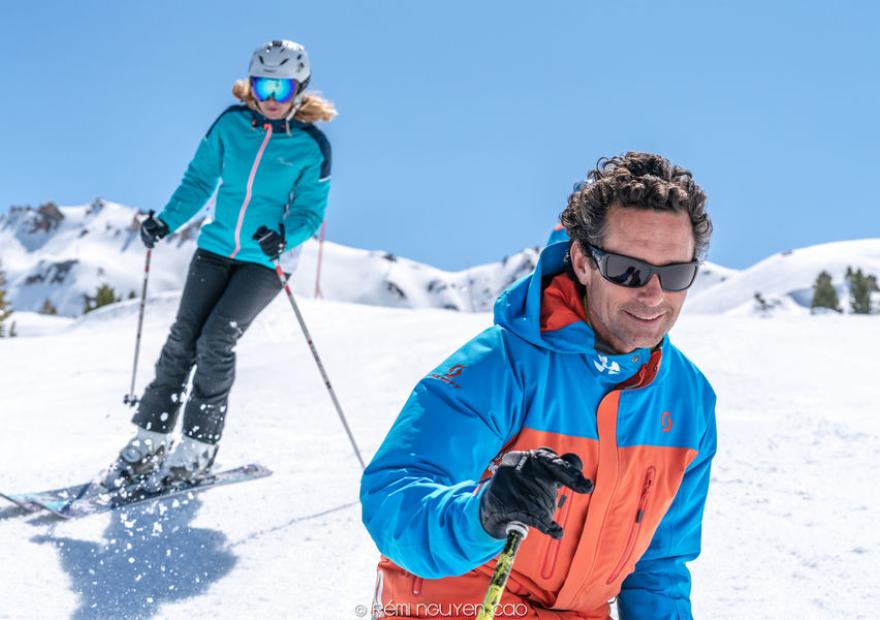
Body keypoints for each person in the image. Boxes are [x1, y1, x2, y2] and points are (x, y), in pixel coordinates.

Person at [360, 152, 717, 619]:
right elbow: (394, 494)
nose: (653, 294)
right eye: (627, 270)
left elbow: (659, 566)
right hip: (458, 603)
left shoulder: (688, 400)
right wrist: (482, 515)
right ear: (583, 262)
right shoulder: (502, 365)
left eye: (674, 274)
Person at [104, 39, 335, 491]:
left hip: (265, 262)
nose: (269, 98)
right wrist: (166, 220)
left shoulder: (312, 146)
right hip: (214, 248)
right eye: (262, 86)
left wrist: (285, 235)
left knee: (216, 340)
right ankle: (150, 437)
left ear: (299, 90)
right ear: (250, 86)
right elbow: (199, 179)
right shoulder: (231, 126)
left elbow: (311, 211)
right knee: (181, 341)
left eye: (281, 88)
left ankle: (197, 448)